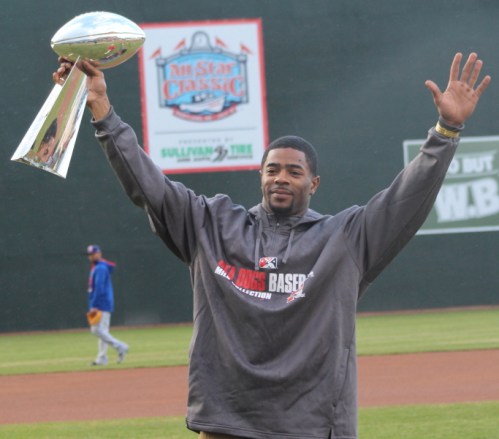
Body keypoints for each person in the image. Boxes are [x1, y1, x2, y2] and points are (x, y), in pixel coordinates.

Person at [55, 52, 490, 438]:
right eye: (272, 169)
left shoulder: (345, 238)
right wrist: (102, 110)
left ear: (314, 183)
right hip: (227, 422)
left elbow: (403, 202)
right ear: (260, 176)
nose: (281, 177)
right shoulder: (210, 223)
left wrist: (446, 131)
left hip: (311, 425)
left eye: (294, 172)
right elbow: (148, 185)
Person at [86, 244, 129, 366]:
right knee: (102, 331)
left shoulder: (100, 268)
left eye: (93, 253)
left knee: (96, 330)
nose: (91, 256)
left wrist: (94, 305)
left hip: (101, 304)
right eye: (90, 254)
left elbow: (99, 288)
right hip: (102, 303)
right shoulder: (98, 267)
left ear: (99, 253)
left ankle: (120, 346)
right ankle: (102, 358)